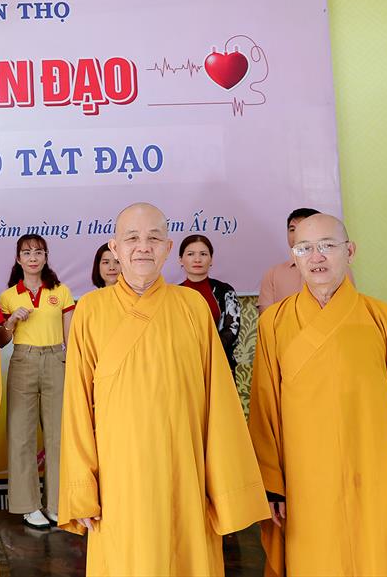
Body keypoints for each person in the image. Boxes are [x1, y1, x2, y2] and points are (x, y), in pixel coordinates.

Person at [58, 203, 269, 576]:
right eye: (132, 238)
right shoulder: (90, 310)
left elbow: (219, 403)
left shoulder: (192, 307)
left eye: (154, 238)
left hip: (184, 470)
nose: (143, 246)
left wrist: (223, 490)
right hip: (118, 475)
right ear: (115, 248)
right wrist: (82, 490)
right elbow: (77, 404)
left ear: (168, 248)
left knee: (184, 555)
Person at [249, 214, 387, 576]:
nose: (316, 257)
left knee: (371, 553)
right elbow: (264, 406)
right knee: (314, 557)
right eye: (305, 248)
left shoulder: (382, 318)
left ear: (350, 251)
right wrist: (272, 485)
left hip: (370, 466)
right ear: (294, 257)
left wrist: (386, 460)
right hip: (303, 473)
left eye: (327, 246)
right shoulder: (274, 323)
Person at [0, 234, 74, 529]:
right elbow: (1, 340)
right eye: (27, 253)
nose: (33, 257)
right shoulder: (8, 296)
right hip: (23, 360)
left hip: (56, 359)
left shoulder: (61, 291)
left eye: (38, 252)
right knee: (21, 434)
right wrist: (11, 320)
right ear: (18, 259)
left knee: (58, 435)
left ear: (45, 257)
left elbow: (70, 336)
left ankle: (56, 503)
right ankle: (28, 505)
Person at [178, 234, 241, 373]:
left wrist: (209, 352)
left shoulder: (225, 291)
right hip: (184, 366)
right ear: (180, 260)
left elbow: (232, 328)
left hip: (219, 364)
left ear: (211, 259)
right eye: (190, 254)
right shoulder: (173, 295)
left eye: (203, 254)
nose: (197, 259)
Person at [256, 208, 319, 313]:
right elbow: (265, 317)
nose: (296, 234)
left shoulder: (338, 270)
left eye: (302, 228)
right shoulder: (273, 274)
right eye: (292, 229)